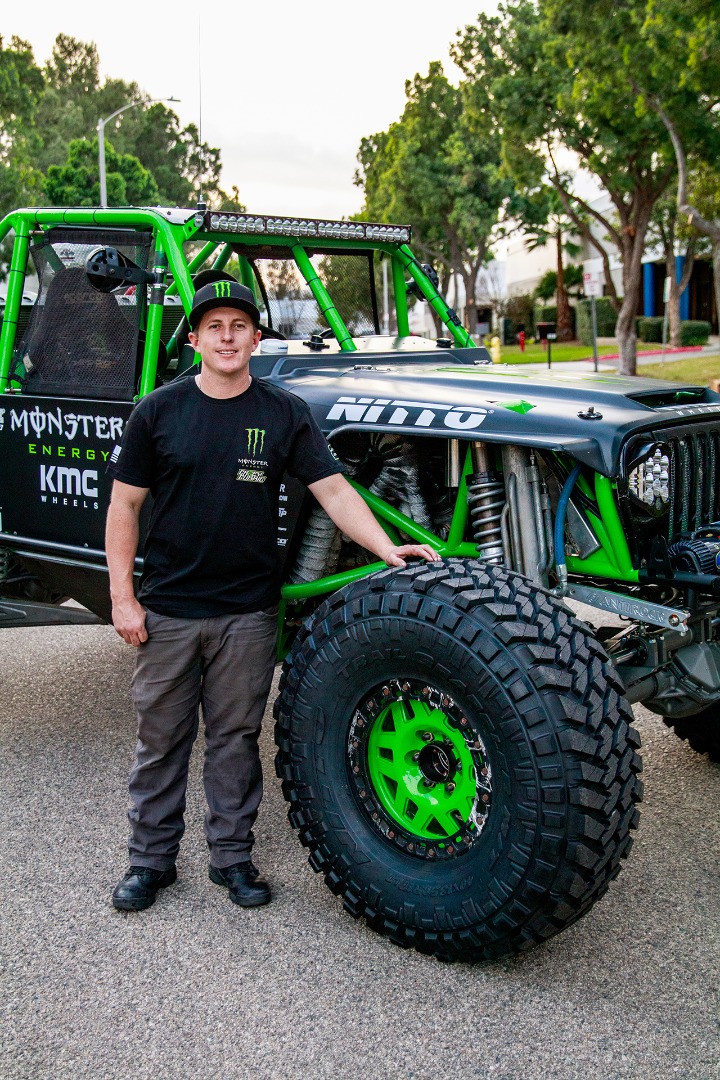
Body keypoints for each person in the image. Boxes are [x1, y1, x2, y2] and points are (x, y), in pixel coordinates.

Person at [106, 279, 437, 912]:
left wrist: (385, 548)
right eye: (214, 327)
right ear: (196, 339)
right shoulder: (157, 412)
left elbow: (334, 490)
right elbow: (124, 505)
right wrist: (123, 597)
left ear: (256, 338)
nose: (226, 337)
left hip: (249, 615)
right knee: (162, 741)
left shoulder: (283, 411)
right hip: (170, 610)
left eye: (238, 326)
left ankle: (232, 860)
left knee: (234, 741)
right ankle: (149, 862)